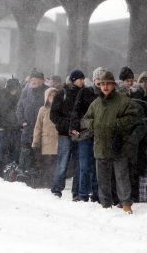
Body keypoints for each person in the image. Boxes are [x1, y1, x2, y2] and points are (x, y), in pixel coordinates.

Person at [84, 71, 140, 214]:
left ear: (113, 85)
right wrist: (94, 125)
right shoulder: (96, 103)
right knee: (102, 179)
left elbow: (134, 117)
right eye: (102, 84)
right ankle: (105, 205)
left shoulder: (123, 101)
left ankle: (126, 204)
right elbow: (87, 118)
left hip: (118, 145)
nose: (105, 87)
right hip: (100, 146)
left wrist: (116, 124)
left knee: (121, 176)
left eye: (108, 83)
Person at [69, 67, 106, 202]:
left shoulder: (107, 94)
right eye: (97, 79)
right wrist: (74, 127)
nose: (99, 81)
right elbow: (76, 110)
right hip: (85, 133)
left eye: (102, 79)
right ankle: (82, 194)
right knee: (84, 165)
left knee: (97, 166)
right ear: (94, 79)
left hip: (100, 135)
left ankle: (96, 194)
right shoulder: (85, 92)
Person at [50, 70, 85, 199]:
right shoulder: (62, 93)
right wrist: (66, 125)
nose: (82, 81)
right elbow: (53, 114)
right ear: (73, 80)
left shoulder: (84, 94)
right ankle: (57, 189)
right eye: (79, 79)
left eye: (83, 79)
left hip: (79, 133)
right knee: (63, 162)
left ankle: (76, 192)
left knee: (78, 164)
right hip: (65, 133)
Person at [16, 69, 48, 173]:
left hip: (41, 128)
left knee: (38, 152)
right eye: (32, 80)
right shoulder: (26, 91)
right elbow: (19, 107)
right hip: (27, 127)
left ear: (42, 81)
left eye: (37, 80)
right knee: (25, 149)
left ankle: (36, 176)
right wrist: (22, 121)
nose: (34, 82)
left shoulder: (47, 92)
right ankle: (23, 172)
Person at [0, 77, 21, 177]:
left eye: (15, 89)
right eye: (12, 89)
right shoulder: (0, 95)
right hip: (3, 130)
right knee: (0, 155)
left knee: (13, 155)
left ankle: (11, 176)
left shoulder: (20, 97)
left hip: (15, 130)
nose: (14, 91)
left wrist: (17, 125)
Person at [32, 87, 58, 188]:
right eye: (51, 95)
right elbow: (38, 127)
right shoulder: (43, 110)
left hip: (58, 142)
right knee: (46, 163)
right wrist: (35, 142)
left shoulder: (61, 109)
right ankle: (45, 182)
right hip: (46, 142)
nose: (53, 97)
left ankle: (54, 183)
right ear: (47, 97)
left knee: (56, 165)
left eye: (55, 95)